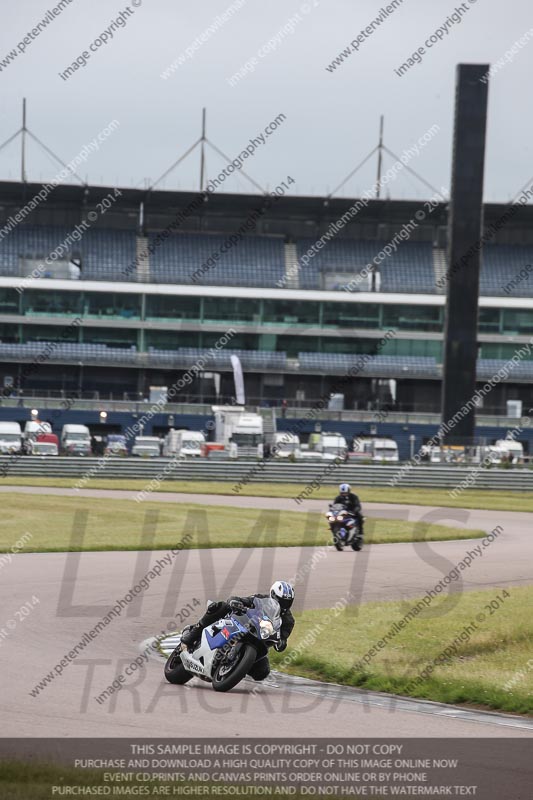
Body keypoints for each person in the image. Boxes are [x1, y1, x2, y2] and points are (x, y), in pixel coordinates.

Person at [180, 581, 295, 680]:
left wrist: (281, 643)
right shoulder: (261, 599)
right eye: (281, 600)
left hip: (260, 641)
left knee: (263, 671)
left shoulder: (288, 621)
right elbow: (245, 600)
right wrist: (235, 601)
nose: (283, 604)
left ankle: (237, 667)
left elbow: (283, 637)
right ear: (273, 595)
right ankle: (193, 634)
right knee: (221, 607)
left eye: (287, 602)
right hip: (242, 624)